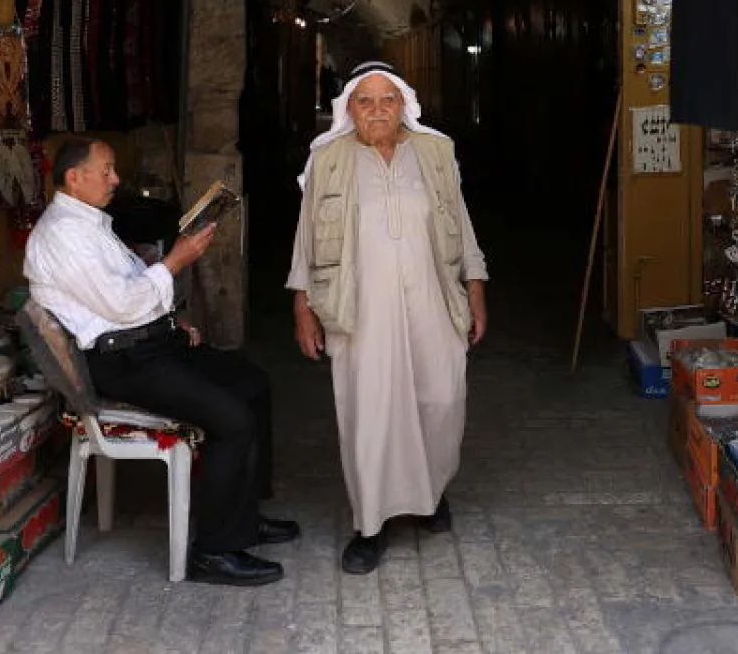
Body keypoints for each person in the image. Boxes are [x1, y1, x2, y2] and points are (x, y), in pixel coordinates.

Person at [25, 137, 299, 586]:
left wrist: (170, 319)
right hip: (122, 360)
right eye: (107, 170)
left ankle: (243, 518)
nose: (116, 179)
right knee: (232, 419)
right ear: (74, 177)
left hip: (147, 345)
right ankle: (214, 551)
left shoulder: (89, 223)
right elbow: (121, 304)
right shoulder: (61, 235)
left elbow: (130, 289)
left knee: (252, 383)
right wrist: (174, 261)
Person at [287, 61, 488, 575]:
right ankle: (370, 525)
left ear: (404, 105)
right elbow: (305, 240)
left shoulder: (435, 152)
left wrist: (476, 287)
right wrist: (302, 306)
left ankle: (430, 494)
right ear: (349, 108)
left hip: (433, 300)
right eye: (365, 101)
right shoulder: (328, 158)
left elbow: (462, 223)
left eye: (387, 100)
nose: (377, 110)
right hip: (359, 309)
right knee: (371, 414)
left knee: (441, 399)